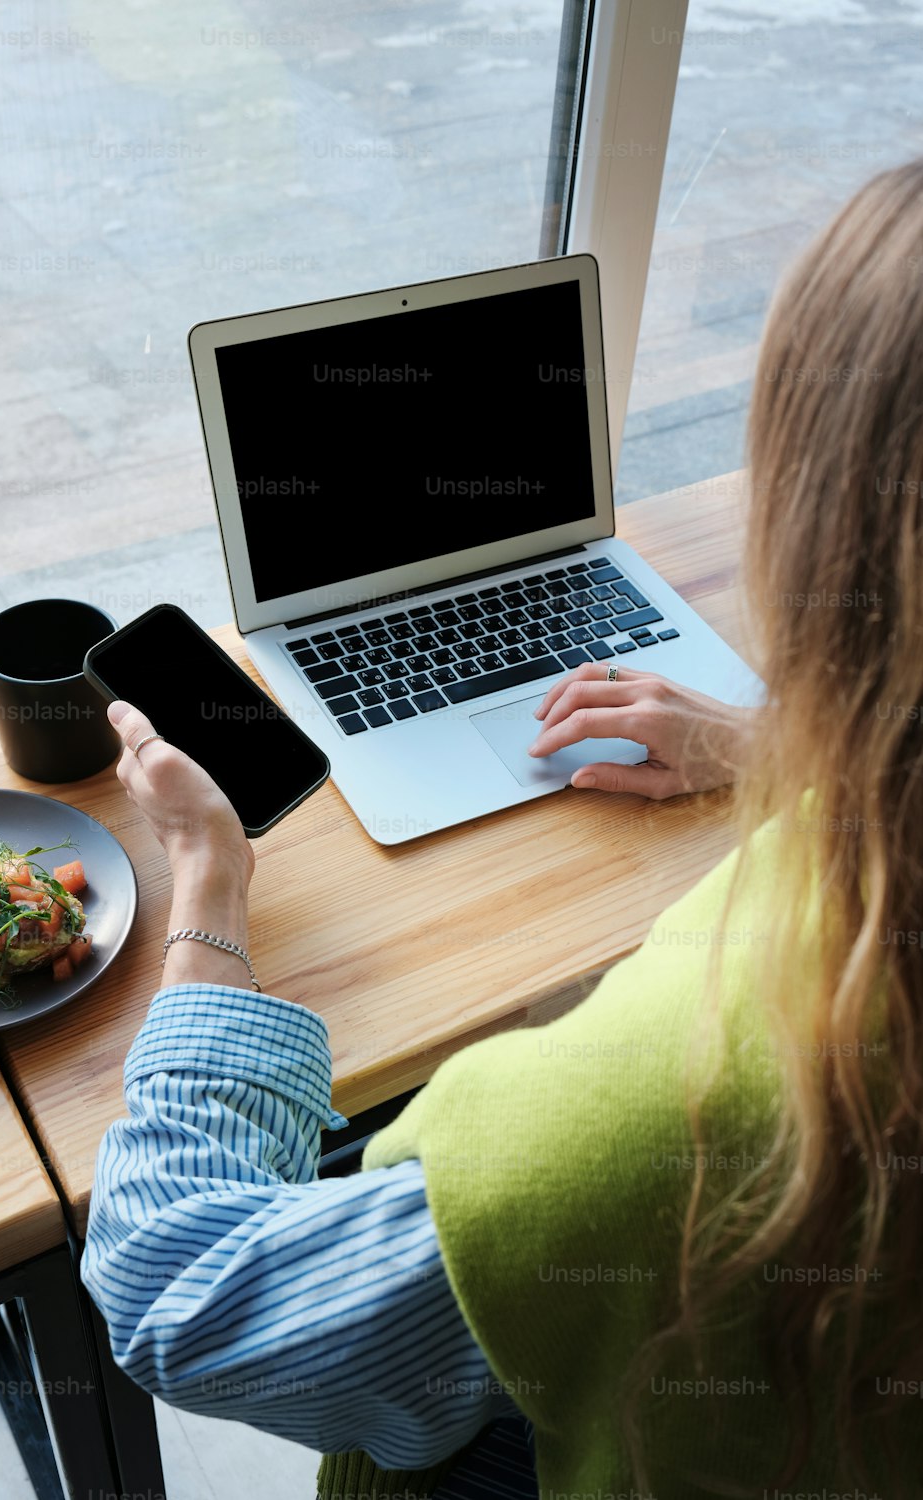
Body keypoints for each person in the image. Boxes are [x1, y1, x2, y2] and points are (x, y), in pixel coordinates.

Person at [82, 160, 923, 1499]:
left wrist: (209, 885)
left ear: (826, 545)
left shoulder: (629, 1137)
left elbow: (176, 1295)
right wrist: (782, 748)